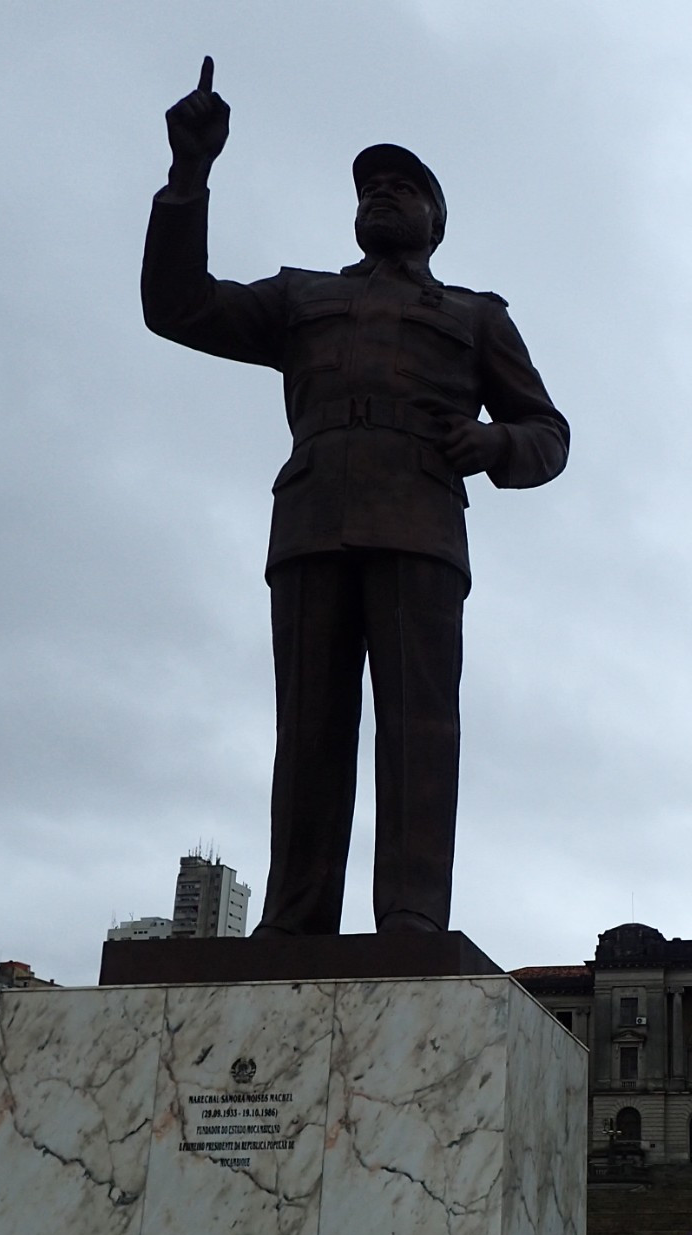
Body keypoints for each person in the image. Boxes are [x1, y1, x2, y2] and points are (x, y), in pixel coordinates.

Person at [142, 58, 569, 937]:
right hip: (310, 519)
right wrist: (191, 173)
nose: (380, 194)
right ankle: (296, 918)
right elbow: (177, 306)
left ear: (433, 221)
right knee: (308, 730)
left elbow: (548, 433)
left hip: (419, 522)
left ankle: (411, 914)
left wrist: (493, 443)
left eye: (400, 187)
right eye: (368, 186)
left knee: (419, 732)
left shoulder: (475, 313)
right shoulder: (303, 294)